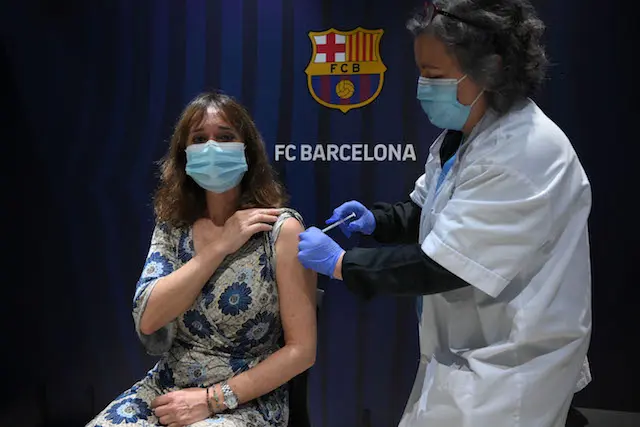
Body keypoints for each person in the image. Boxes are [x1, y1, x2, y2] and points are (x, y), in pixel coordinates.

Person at [297, 1, 592, 426]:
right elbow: (428, 210)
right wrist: (377, 221)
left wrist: (342, 264)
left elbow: (443, 265)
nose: (423, 86)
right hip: (464, 357)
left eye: (434, 76)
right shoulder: (464, 137)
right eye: (421, 72)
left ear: (490, 69)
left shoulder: (522, 151)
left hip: (510, 366)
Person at [87, 92, 317, 427]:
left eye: (224, 137)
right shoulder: (173, 226)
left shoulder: (281, 230)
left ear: (247, 150)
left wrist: (212, 400)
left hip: (245, 398)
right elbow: (149, 319)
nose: (212, 148)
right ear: (184, 154)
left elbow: (301, 351)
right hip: (168, 387)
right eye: (198, 139)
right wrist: (219, 247)